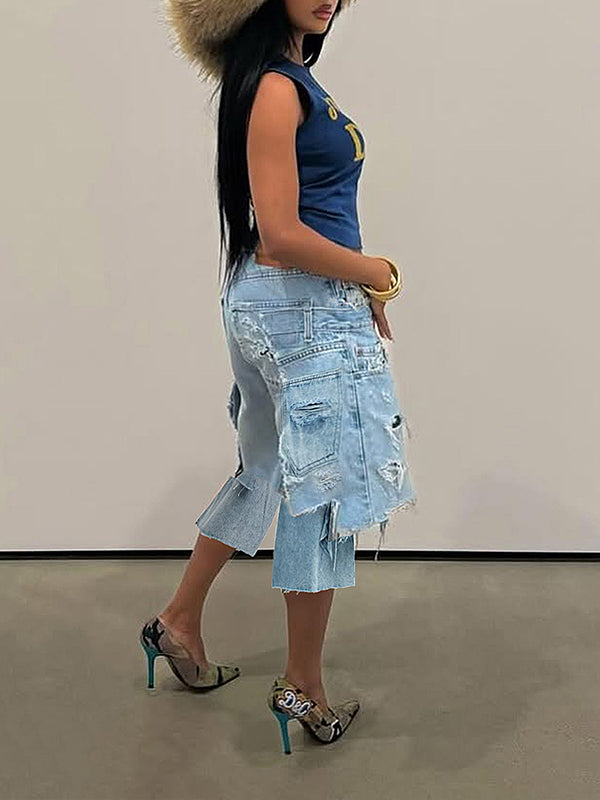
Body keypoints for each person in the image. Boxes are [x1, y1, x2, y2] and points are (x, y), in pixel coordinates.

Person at [139, 0, 417, 753]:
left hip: (283, 305)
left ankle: (178, 621)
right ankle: (303, 687)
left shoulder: (285, 79)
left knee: (264, 469)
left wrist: (358, 285)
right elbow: (282, 233)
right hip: (300, 311)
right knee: (320, 490)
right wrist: (376, 271)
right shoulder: (274, 86)